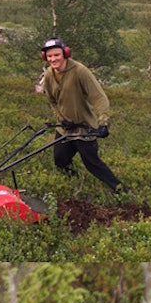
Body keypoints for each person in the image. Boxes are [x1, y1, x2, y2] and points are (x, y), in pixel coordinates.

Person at [38, 37, 127, 194]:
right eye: (50, 56)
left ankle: (122, 191)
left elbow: (99, 98)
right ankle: (76, 182)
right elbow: (52, 101)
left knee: (93, 164)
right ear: (45, 57)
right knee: (60, 160)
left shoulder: (80, 71)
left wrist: (103, 123)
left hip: (85, 128)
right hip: (64, 128)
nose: (53, 59)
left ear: (65, 54)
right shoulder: (49, 75)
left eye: (57, 55)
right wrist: (61, 118)